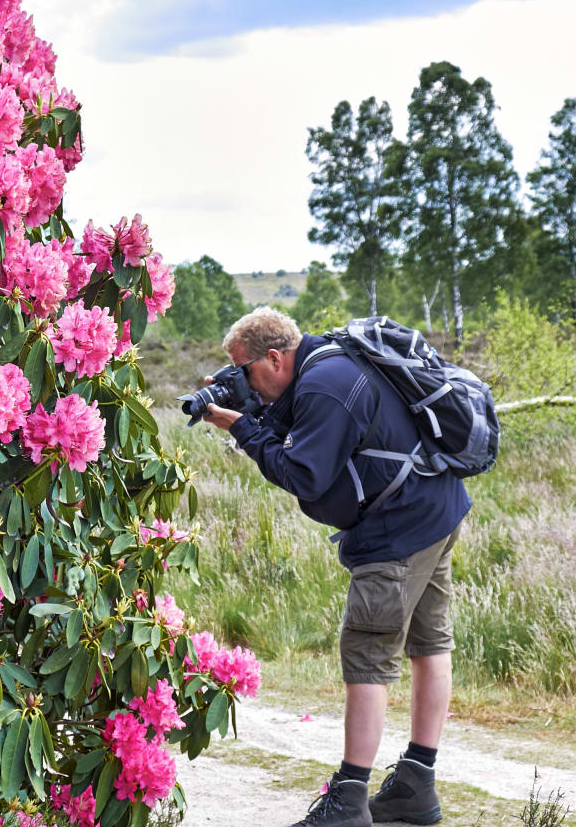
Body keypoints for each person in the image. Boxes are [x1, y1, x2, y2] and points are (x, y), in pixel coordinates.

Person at [199, 307, 470, 827]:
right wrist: (250, 406)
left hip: (399, 529)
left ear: (275, 358)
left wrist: (243, 429)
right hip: (437, 506)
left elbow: (305, 476)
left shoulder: (324, 387)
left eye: (247, 371)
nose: (247, 383)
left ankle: (348, 800)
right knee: (429, 643)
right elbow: (318, 429)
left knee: (367, 651)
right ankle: (416, 784)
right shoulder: (332, 359)